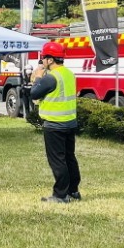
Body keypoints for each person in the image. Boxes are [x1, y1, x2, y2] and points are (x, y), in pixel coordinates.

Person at [30, 41, 81, 203]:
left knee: (58, 161)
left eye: (43, 58)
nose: (42, 61)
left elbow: (34, 93)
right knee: (69, 158)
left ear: (50, 60)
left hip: (54, 124)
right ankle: (73, 191)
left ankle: (60, 195)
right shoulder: (68, 74)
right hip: (69, 122)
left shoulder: (51, 78)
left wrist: (37, 77)